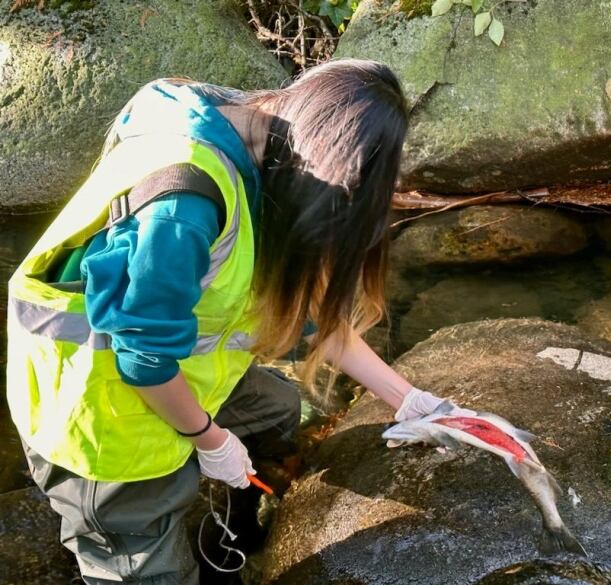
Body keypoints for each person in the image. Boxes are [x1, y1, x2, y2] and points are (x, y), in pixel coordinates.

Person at [5, 59, 473, 584]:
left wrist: (412, 401)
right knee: (144, 571)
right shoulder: (183, 205)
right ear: (328, 164)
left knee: (277, 412)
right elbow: (143, 357)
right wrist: (210, 440)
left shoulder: (271, 154)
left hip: (182, 368)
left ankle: (240, 528)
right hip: (100, 415)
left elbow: (315, 317)